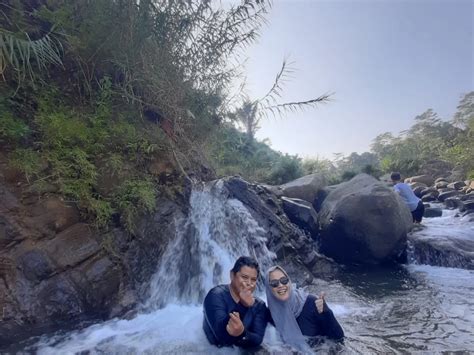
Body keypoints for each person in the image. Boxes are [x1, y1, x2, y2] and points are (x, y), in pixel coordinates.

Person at [265, 265, 344, 350]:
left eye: (284, 280)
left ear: (289, 282)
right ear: (269, 288)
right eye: (274, 283)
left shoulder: (312, 303)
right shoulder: (270, 316)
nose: (280, 285)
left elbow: (339, 338)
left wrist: (326, 313)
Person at [203, 256, 268, 349]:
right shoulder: (215, 295)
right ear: (232, 275)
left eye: (253, 279)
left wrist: (242, 333)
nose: (249, 283)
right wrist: (243, 305)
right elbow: (220, 336)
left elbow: (258, 339)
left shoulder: (259, 305)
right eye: (244, 277)